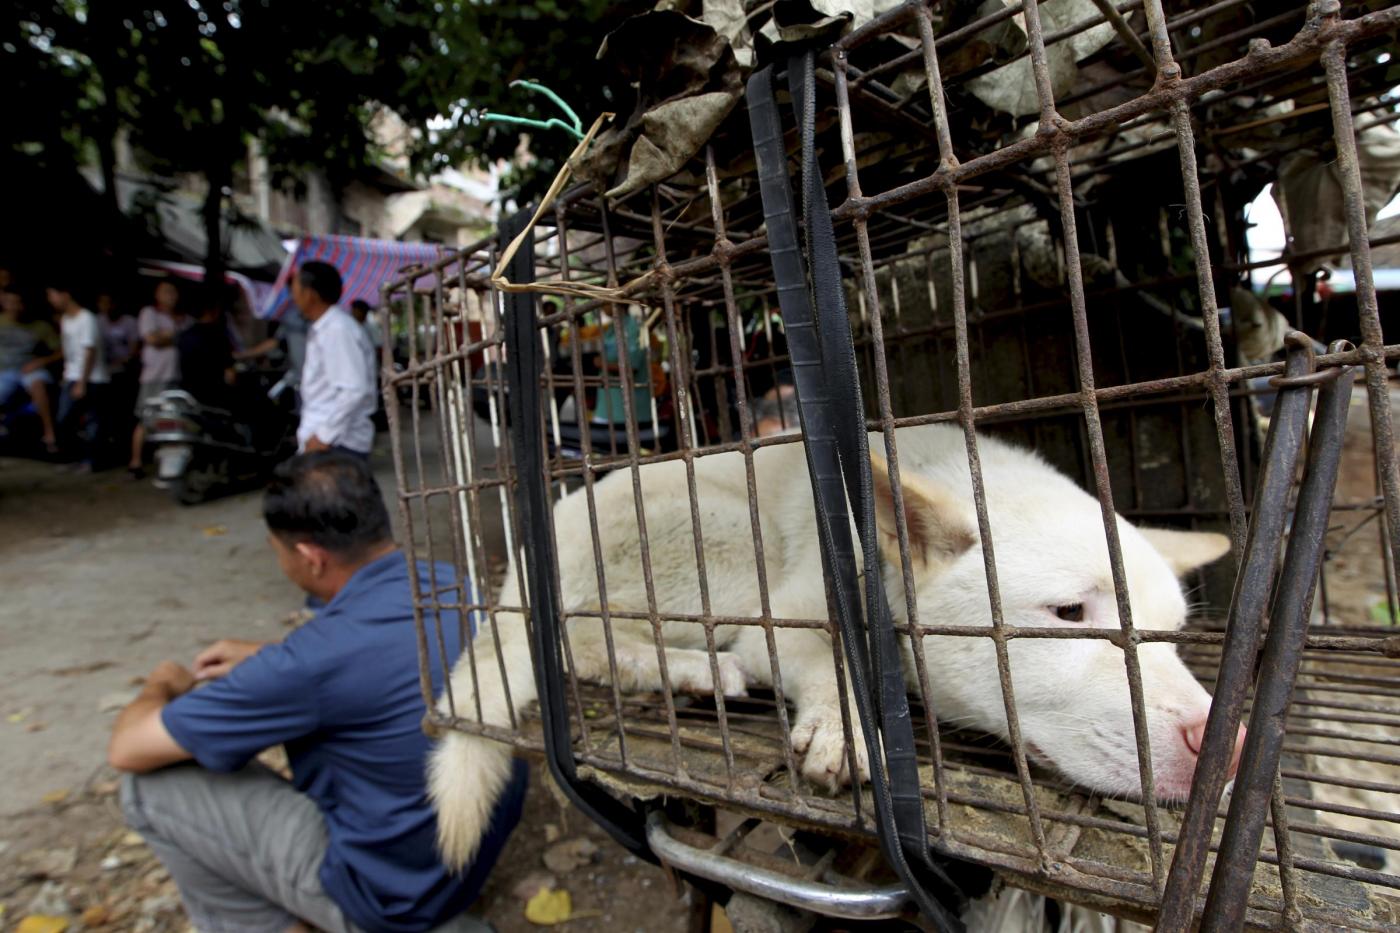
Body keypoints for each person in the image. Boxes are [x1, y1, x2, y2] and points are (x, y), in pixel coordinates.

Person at [109, 451, 526, 933]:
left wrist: (163, 682)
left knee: (149, 786)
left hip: (390, 896)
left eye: (278, 551)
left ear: (310, 557)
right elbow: (373, 662)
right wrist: (265, 656)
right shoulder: (452, 585)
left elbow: (128, 749)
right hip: (462, 859)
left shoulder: (307, 664)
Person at [294, 262, 376, 458]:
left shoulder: (337, 329)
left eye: (295, 287)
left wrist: (324, 436)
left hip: (337, 444)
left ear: (309, 294)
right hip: (330, 442)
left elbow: (353, 390)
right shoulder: (327, 327)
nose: (292, 294)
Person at [47, 280, 110, 470]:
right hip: (73, 376)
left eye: (52, 295)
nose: (51, 299)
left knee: (92, 420)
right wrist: (68, 376)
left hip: (92, 378)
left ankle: (91, 461)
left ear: (65, 295)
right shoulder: (66, 319)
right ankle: (73, 457)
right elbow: (70, 352)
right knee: (65, 419)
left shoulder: (86, 318)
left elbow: (89, 350)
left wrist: (82, 382)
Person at [129, 280, 184, 478]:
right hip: (154, 376)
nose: (172, 296)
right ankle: (135, 463)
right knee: (146, 418)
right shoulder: (149, 313)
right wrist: (172, 336)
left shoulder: (179, 318)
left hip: (174, 376)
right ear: (157, 295)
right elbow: (152, 339)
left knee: (171, 419)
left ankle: (167, 465)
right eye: (167, 291)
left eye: (174, 291)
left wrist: (167, 336)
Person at [0, 290, 58, 452]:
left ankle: (50, 434)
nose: (14, 307)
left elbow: (61, 351)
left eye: (18, 302)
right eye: (10, 302)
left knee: (37, 384)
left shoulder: (40, 326)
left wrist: (41, 361)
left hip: (30, 369)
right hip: (4, 371)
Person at [177, 291, 237, 408]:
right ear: (213, 311)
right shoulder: (218, 336)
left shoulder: (184, 335)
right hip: (216, 395)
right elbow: (230, 375)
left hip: (189, 395)